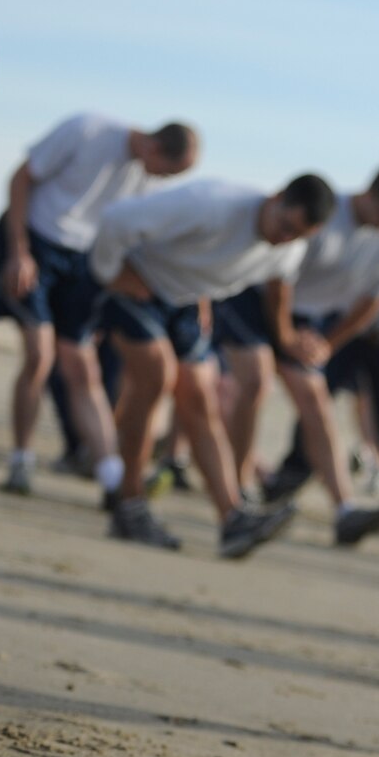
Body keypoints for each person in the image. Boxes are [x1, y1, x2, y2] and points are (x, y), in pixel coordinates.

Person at [87, 173, 334, 557]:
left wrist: (283, 337)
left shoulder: (289, 246)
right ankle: (128, 504)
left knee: (201, 398)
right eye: (285, 226)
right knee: (156, 375)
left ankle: (233, 518)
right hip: (136, 282)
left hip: (186, 300)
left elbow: (275, 284)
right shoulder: (211, 203)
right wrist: (110, 273)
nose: (285, 239)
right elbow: (116, 219)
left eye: (297, 236)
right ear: (277, 196)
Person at [0, 114, 198, 497]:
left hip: (84, 263)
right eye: (167, 172)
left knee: (83, 369)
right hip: (37, 243)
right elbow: (21, 177)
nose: (162, 181)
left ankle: (110, 474)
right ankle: (22, 458)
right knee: (39, 355)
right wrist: (18, 250)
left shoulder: (145, 178)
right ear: (154, 147)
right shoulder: (88, 130)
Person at [217, 163, 379, 546]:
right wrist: (285, 335)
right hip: (258, 302)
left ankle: (345, 510)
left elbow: (371, 303)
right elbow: (278, 277)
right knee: (253, 384)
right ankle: (240, 490)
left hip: (309, 324)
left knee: (316, 400)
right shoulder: (324, 211)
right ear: (369, 193)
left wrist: (328, 344)